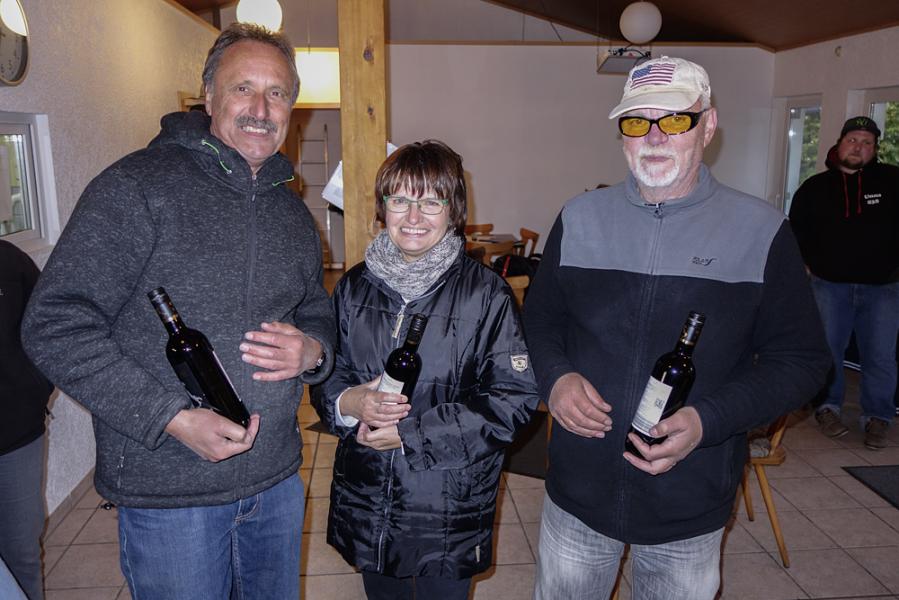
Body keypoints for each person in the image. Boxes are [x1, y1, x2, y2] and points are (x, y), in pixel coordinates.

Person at [21, 23, 335, 599]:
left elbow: (316, 310)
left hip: (276, 482)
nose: (261, 109)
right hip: (171, 495)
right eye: (243, 88)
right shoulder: (136, 186)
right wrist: (171, 417)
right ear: (209, 96)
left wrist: (314, 350)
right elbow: (55, 324)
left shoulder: (293, 215)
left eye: (277, 93)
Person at [524, 56, 830, 600]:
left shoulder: (761, 231)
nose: (654, 137)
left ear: (707, 126)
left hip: (688, 502)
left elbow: (802, 363)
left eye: (674, 119)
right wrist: (556, 377)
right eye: (637, 122)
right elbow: (541, 320)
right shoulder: (579, 218)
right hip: (578, 495)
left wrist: (708, 420)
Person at [312, 140, 539, 600]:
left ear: (453, 210)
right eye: (400, 200)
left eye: (431, 201)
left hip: (447, 505)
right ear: (383, 208)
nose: (413, 216)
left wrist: (412, 435)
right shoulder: (353, 287)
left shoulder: (486, 296)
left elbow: (512, 400)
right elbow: (327, 369)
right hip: (368, 496)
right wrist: (348, 401)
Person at [789, 116, 899, 450]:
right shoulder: (814, 187)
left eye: (867, 143)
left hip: (884, 290)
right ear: (839, 143)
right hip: (828, 286)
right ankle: (827, 407)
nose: (858, 147)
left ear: (874, 150)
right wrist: (805, 266)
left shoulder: (893, 181)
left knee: (880, 356)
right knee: (828, 352)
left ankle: (878, 416)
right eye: (853, 140)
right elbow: (795, 232)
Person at [1, 240, 53, 600]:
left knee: (22, 554)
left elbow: (48, 329)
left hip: (15, 438)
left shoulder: (8, 260)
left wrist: (34, 386)